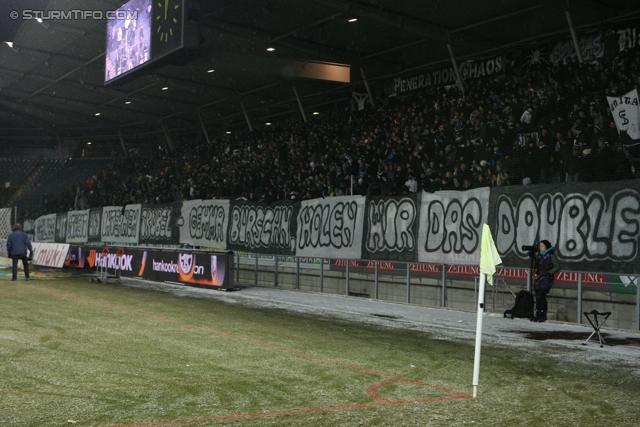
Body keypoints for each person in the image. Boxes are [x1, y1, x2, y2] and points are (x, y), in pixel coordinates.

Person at [532, 240, 560, 322]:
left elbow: (557, 266)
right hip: (539, 278)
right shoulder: (540, 255)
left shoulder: (551, 255)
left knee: (541, 295)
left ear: (546, 247)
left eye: (542, 246)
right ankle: (538, 314)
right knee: (537, 296)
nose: (540, 248)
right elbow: (538, 265)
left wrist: (549, 272)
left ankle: (543, 315)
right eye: (540, 246)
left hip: (547, 278)